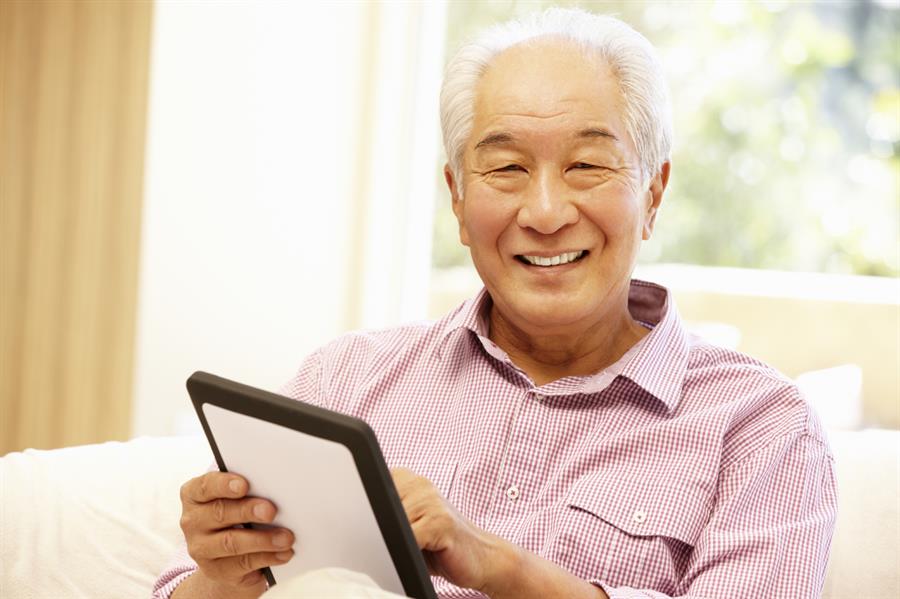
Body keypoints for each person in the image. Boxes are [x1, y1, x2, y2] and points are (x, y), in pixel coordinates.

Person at [154, 7, 837, 599]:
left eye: (587, 164)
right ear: (456, 197)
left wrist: (496, 564)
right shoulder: (345, 380)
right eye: (506, 168)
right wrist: (222, 574)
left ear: (653, 194)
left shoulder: (761, 428)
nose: (544, 212)